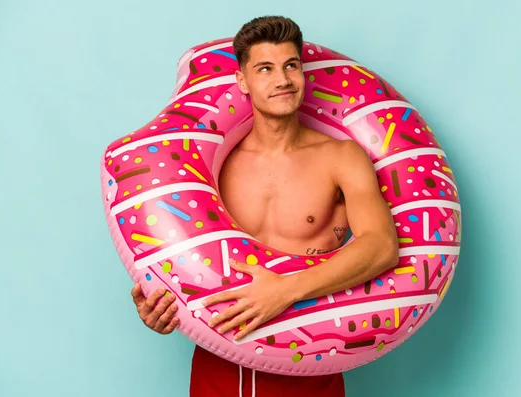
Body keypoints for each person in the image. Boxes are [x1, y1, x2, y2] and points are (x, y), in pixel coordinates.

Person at [130, 15, 399, 397]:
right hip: (218, 366)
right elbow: (184, 254)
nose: (283, 80)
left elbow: (381, 246)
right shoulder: (213, 168)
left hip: (310, 366)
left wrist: (286, 290)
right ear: (244, 81)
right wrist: (159, 308)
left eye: (291, 66)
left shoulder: (341, 157)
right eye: (265, 68)